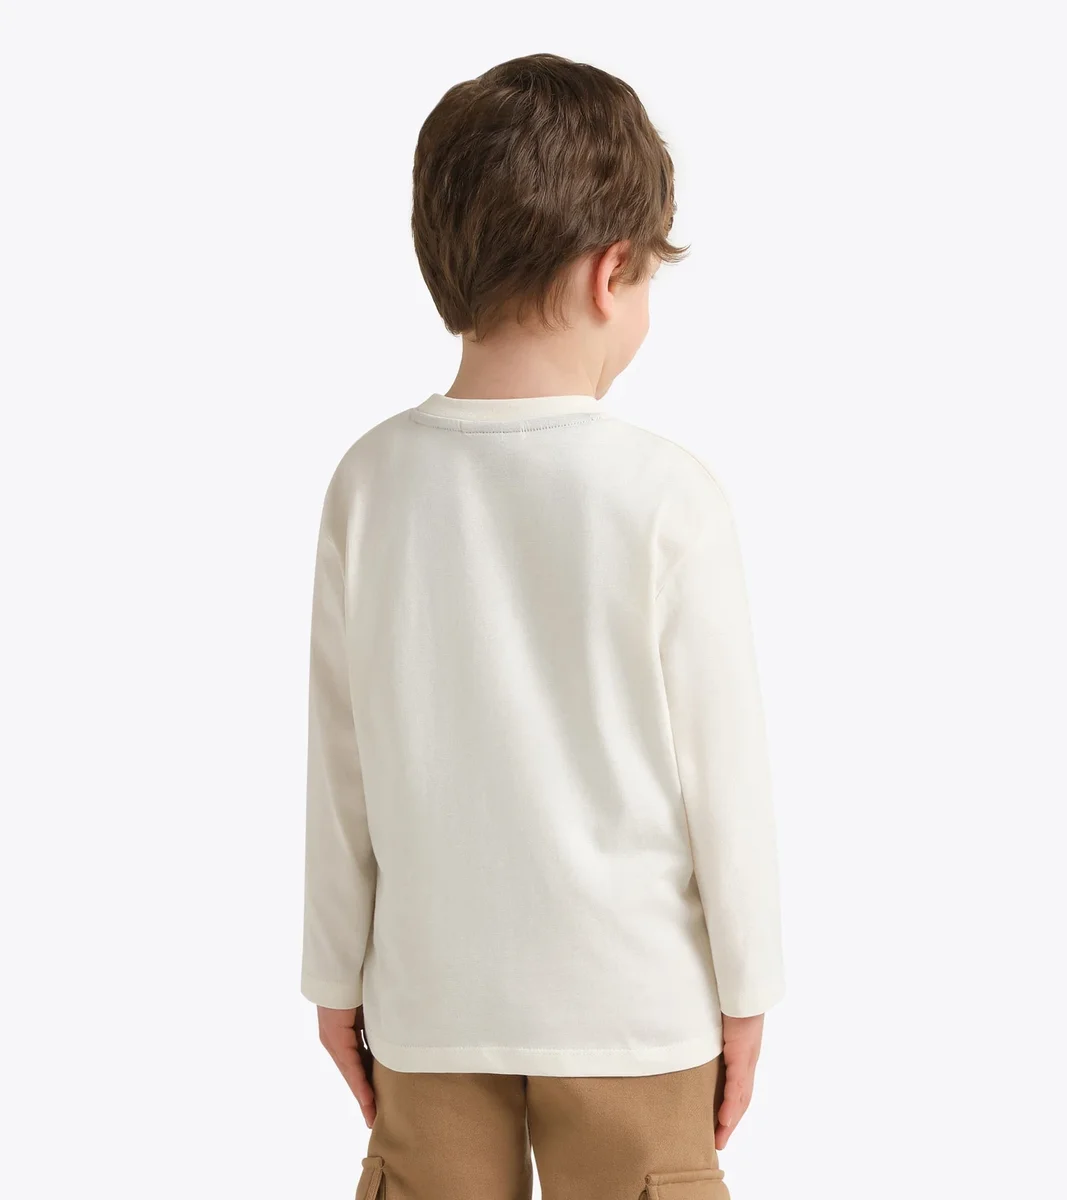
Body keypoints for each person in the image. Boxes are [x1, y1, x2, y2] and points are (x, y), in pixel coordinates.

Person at [300, 52, 785, 1200]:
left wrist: (333, 976)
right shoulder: (667, 495)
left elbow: (339, 764)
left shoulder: (368, 483)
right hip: (633, 1008)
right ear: (612, 271)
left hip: (428, 1002)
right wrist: (748, 989)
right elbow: (723, 778)